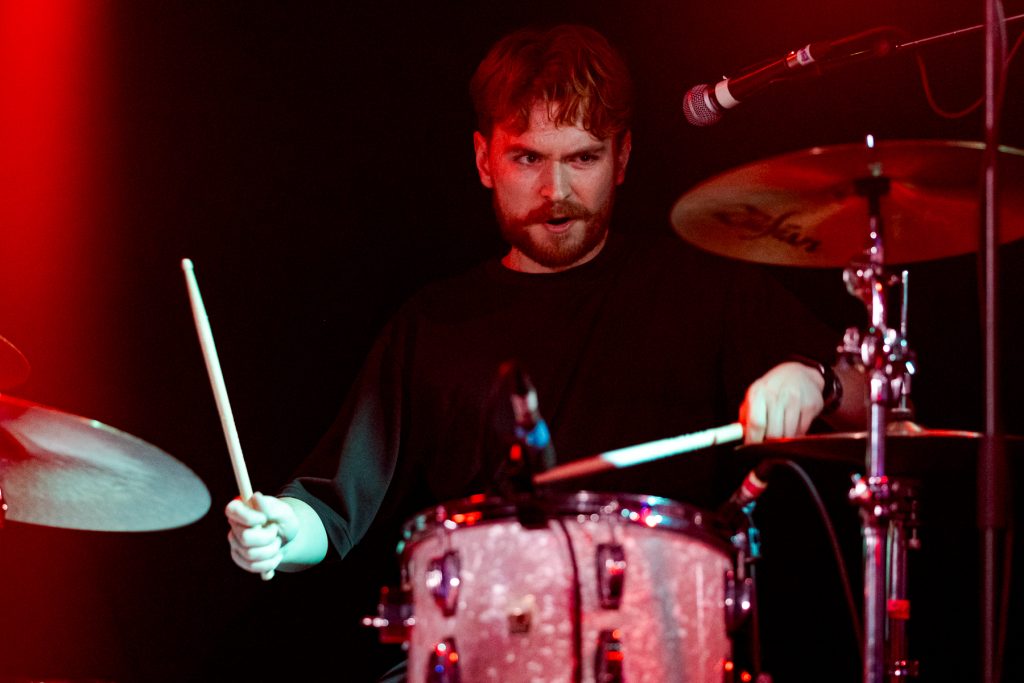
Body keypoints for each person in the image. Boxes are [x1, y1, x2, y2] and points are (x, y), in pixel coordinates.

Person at [225, 23, 864, 681]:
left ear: (622, 157)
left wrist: (817, 380)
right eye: (528, 158)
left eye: (582, 158)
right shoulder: (434, 322)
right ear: (484, 159)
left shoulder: (706, 288)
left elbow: (879, 402)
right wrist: (278, 529)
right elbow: (329, 513)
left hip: (659, 654)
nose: (556, 191)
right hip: (476, 658)